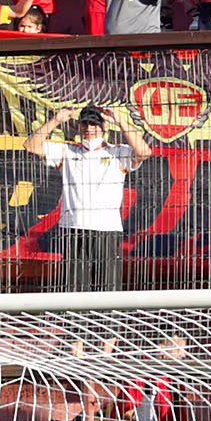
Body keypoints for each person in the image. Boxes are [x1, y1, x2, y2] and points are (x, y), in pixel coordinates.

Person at [39, 105, 140, 291]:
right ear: (79, 127)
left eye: (94, 124)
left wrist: (120, 121)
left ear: (104, 127)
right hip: (73, 227)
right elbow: (31, 146)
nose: (89, 129)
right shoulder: (68, 150)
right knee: (74, 289)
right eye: (85, 124)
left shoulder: (118, 152)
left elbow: (144, 152)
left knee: (107, 288)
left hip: (107, 229)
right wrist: (56, 120)